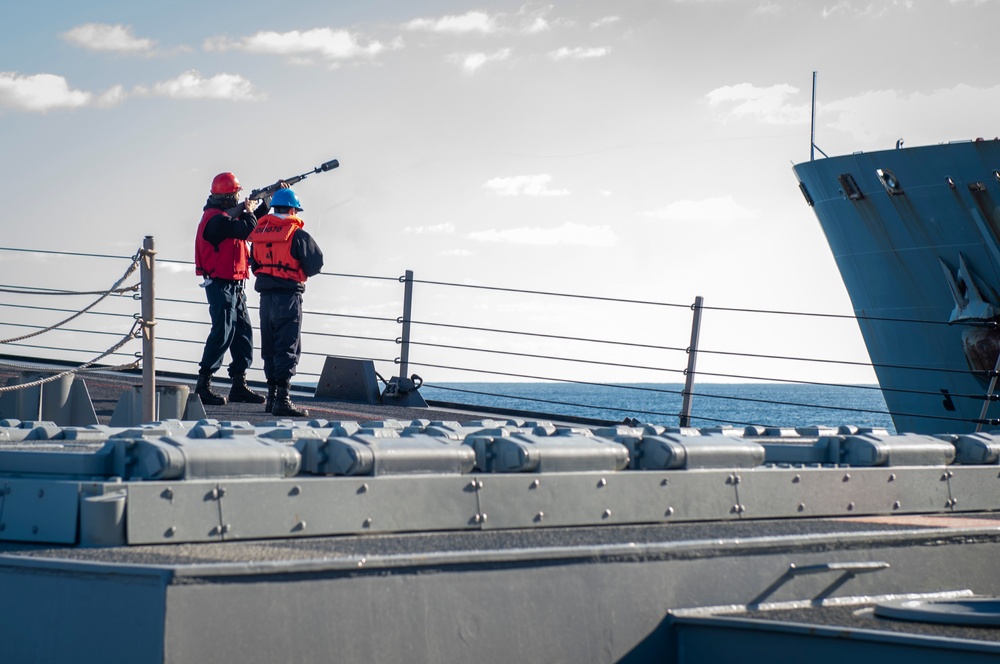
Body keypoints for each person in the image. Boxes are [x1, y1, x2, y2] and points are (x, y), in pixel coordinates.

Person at [193, 172, 269, 406]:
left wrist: (265, 203)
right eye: (235, 194)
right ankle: (203, 384)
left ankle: (239, 384)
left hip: (235, 284)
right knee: (222, 332)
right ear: (227, 197)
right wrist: (248, 210)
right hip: (220, 284)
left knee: (243, 334)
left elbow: (250, 223)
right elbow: (247, 230)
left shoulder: (225, 217)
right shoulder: (215, 220)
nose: (238, 197)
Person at [249, 187, 324, 416]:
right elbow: (316, 264)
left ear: (274, 208)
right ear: (293, 209)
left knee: (270, 347)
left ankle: (271, 398)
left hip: (265, 300)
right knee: (288, 347)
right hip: (288, 298)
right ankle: (283, 399)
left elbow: (254, 267)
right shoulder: (297, 234)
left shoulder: (259, 233)